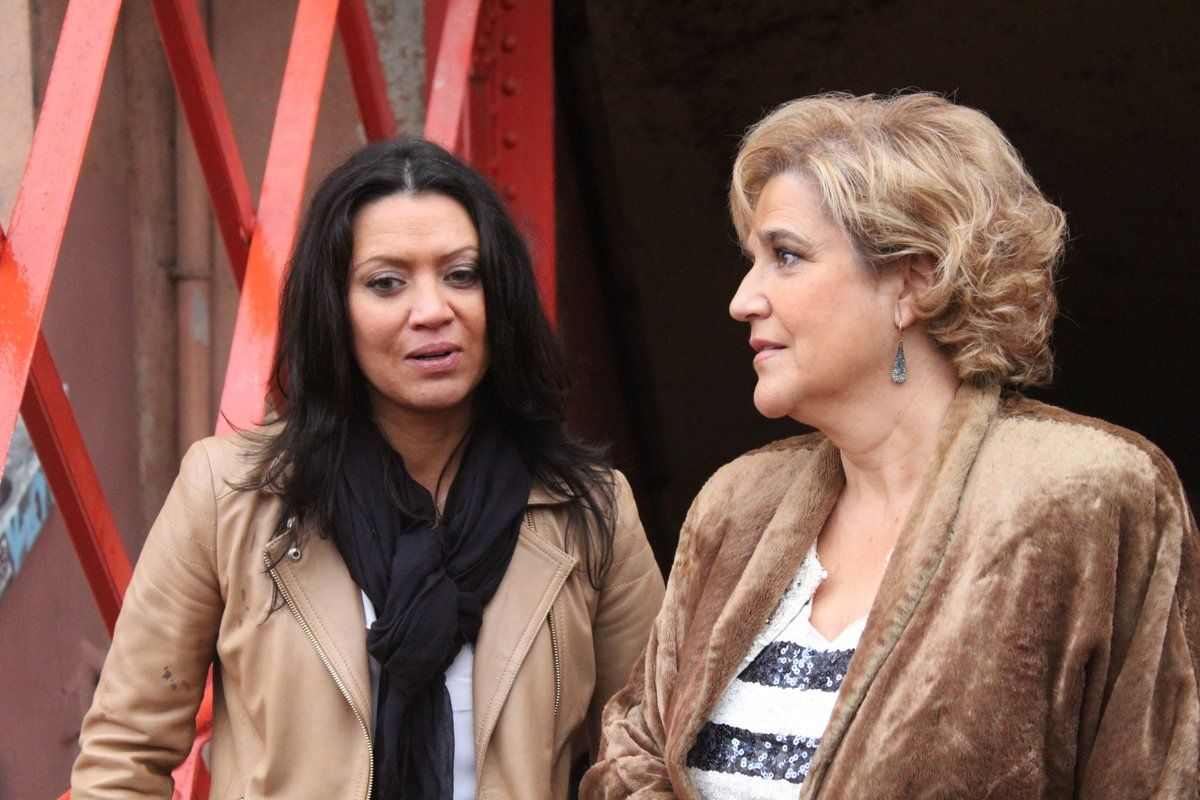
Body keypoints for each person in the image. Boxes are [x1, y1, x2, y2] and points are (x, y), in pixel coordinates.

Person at [583, 92, 1199, 799]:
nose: (743, 299)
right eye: (754, 259)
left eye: (786, 256)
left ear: (915, 282)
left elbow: (1154, 780)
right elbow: (633, 752)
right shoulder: (736, 504)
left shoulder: (1088, 496)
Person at [72, 138, 664, 799]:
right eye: (386, 283)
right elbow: (123, 757)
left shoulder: (589, 511)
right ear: (334, 308)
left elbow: (647, 760)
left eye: (462, 275)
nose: (433, 310)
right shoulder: (230, 496)